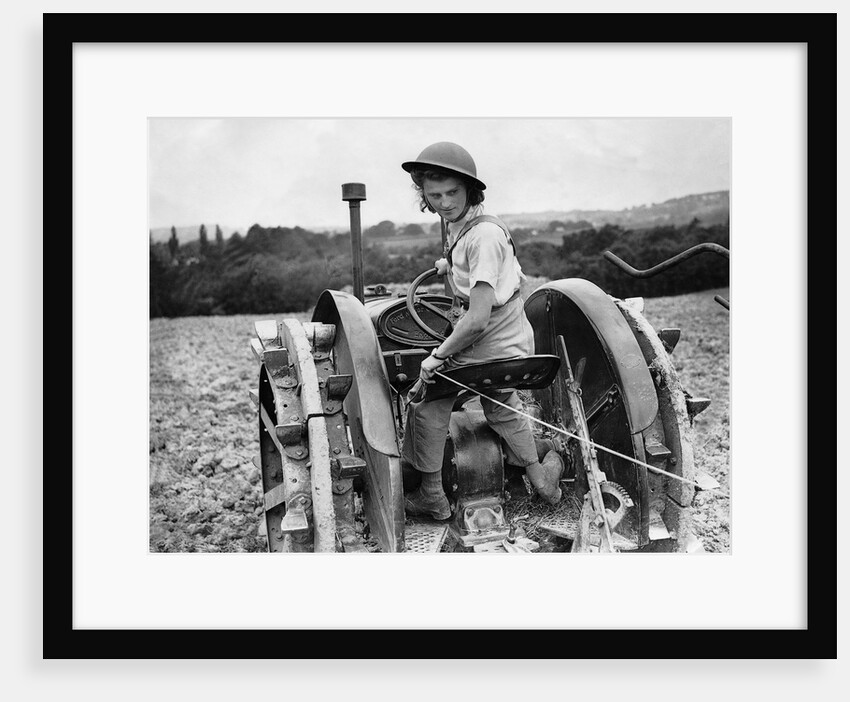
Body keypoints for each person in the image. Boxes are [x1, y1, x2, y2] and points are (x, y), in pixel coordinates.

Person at [399, 141, 564, 520]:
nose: (444, 202)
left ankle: (431, 495)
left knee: (427, 399)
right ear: (422, 193)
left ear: (469, 189)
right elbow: (477, 263)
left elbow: (475, 320)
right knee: (501, 404)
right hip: (512, 343)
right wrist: (448, 265)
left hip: (488, 344)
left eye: (452, 192)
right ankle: (542, 480)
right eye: (434, 194)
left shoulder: (483, 238)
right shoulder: (473, 226)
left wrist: (436, 358)